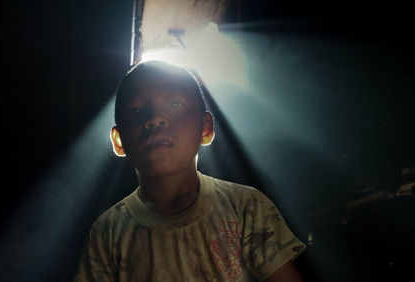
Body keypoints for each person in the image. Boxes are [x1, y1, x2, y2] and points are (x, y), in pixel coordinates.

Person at [74, 60, 306, 281]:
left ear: (205, 128)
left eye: (175, 104)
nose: (155, 119)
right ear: (118, 140)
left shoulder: (245, 207)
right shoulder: (107, 231)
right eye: (135, 110)